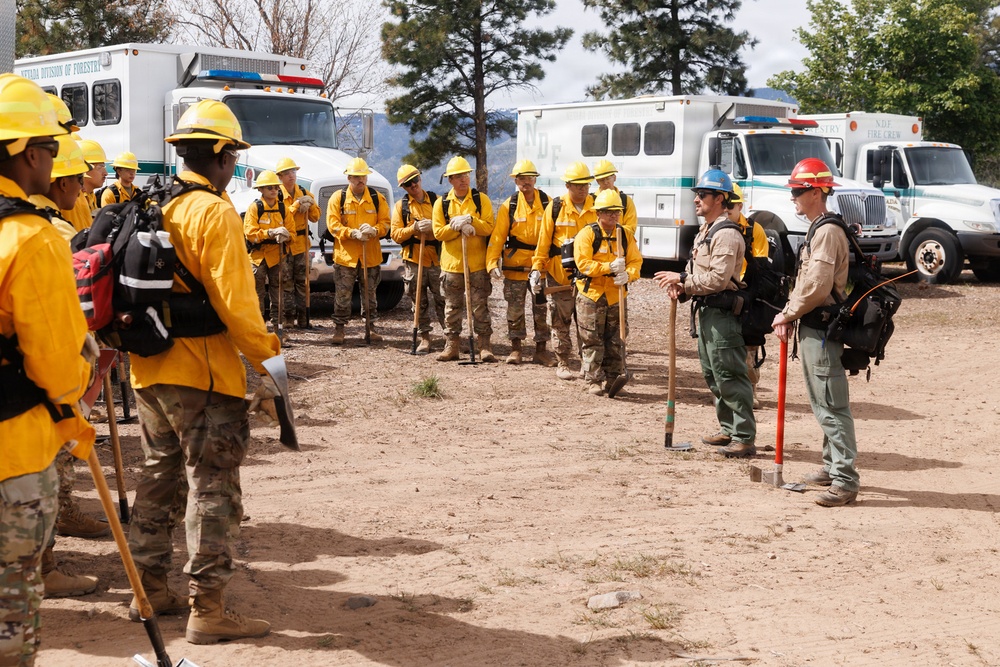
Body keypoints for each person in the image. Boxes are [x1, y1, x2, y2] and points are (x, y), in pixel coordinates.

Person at [127, 99, 281, 643]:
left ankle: (147, 592)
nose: (234, 165)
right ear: (218, 154)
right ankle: (207, 609)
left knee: (157, 480)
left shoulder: (150, 201)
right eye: (232, 155)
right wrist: (270, 361)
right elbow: (238, 306)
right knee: (212, 490)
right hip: (203, 375)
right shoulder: (213, 212)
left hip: (147, 370)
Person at [0, 73, 97, 665]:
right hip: (14, 450)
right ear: (31, 155)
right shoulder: (31, 239)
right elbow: (59, 365)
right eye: (54, 149)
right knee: (11, 618)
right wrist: (79, 385)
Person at [771, 158, 860, 507]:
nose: (793, 196)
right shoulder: (819, 228)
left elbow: (818, 285)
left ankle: (845, 480)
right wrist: (792, 313)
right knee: (823, 401)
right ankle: (831, 467)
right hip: (813, 325)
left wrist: (788, 312)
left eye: (798, 190)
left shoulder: (826, 231)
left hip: (821, 328)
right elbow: (807, 281)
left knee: (831, 404)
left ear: (818, 192)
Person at [655, 169, 756, 458]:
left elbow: (717, 280)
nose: (696, 200)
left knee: (730, 375)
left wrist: (683, 281)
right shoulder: (706, 232)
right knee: (713, 374)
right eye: (696, 195)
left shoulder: (725, 234)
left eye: (702, 195)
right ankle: (728, 429)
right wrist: (683, 288)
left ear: (720, 199)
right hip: (708, 312)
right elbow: (695, 272)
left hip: (723, 316)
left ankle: (745, 437)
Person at [530, 161, 597, 380]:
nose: (582, 189)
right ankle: (563, 363)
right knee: (559, 322)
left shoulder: (597, 206)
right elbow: (543, 242)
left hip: (589, 279)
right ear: (568, 185)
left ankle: (589, 365)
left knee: (588, 325)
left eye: (586, 185)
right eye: (578, 185)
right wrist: (536, 270)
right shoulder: (556, 207)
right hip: (559, 276)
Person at [574, 189, 642, 395]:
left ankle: (613, 379)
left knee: (615, 339)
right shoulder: (587, 234)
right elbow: (583, 264)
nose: (613, 215)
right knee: (592, 338)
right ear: (598, 213)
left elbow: (636, 262)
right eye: (608, 211)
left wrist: (628, 275)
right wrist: (608, 268)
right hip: (591, 295)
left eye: (616, 212)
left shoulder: (625, 235)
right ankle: (593, 379)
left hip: (615, 296)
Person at [487, 160, 555, 365]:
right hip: (514, 266)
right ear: (516, 181)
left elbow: (556, 233)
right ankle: (516, 349)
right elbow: (498, 236)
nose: (526, 182)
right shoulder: (510, 205)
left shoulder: (548, 203)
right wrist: (491, 263)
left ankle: (541, 351)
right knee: (514, 309)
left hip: (541, 267)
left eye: (529, 178)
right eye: (521, 179)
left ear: (535, 179)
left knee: (541, 310)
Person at [432, 156, 496, 362]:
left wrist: (472, 222)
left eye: (466, 175)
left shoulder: (481, 200)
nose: (463, 180)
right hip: (452, 266)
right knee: (451, 307)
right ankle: (452, 346)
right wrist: (455, 228)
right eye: (458, 176)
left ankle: (484, 346)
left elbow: (488, 228)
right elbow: (438, 233)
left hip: (477, 264)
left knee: (480, 307)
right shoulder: (442, 204)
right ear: (450, 179)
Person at [325, 157, 391, 344]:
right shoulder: (339, 198)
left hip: (370, 255)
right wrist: (351, 233)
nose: (360, 180)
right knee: (343, 294)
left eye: (363, 176)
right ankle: (339, 330)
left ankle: (371, 328)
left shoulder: (378, 198)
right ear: (349, 178)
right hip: (346, 257)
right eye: (355, 177)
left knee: (370, 294)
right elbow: (332, 225)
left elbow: (386, 223)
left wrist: (374, 230)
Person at [390, 164, 445, 354]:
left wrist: (433, 228)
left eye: (415, 180)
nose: (413, 185)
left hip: (438, 260)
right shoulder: (401, 207)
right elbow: (395, 234)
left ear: (420, 179)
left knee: (444, 299)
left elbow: (447, 230)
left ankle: (450, 338)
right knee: (418, 301)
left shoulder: (438, 202)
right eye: (407, 184)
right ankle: (425, 338)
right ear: (403, 187)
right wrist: (413, 229)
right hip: (414, 260)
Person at [727, 183, 770, 408]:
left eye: (731, 205)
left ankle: (751, 392)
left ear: (740, 205)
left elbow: (761, 266)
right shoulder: (713, 228)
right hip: (724, 294)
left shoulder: (754, 230)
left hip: (748, 295)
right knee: (725, 347)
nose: (727, 209)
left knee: (750, 348)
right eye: (723, 203)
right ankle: (725, 392)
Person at [244, 170, 294, 329]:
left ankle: (279, 329)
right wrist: (270, 233)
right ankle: (259, 329)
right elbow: (250, 234)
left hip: (278, 257)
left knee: (278, 295)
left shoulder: (283, 209)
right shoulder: (254, 208)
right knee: (257, 295)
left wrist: (286, 236)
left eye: (276, 187)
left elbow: (292, 233)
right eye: (269, 187)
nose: (273, 190)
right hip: (258, 258)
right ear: (261, 189)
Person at [277, 157, 320, 329]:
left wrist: (309, 205)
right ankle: (288, 318)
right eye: (287, 173)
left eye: (293, 172)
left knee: (303, 282)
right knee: (286, 282)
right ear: (280, 176)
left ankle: (303, 319)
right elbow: (279, 217)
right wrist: (295, 206)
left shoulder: (304, 192)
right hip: (285, 246)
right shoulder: (277, 194)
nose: (291, 176)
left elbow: (316, 218)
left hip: (302, 245)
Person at [592, 160, 637, 235]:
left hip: (618, 244)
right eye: (602, 180)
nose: (606, 182)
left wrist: (611, 235)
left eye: (608, 178)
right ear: (597, 181)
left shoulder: (626, 201)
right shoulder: (591, 200)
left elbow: (631, 228)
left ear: (614, 178)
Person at [78, 139, 108, 219]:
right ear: (85, 168)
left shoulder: (91, 195)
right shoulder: (75, 200)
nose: (106, 173)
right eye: (100, 167)